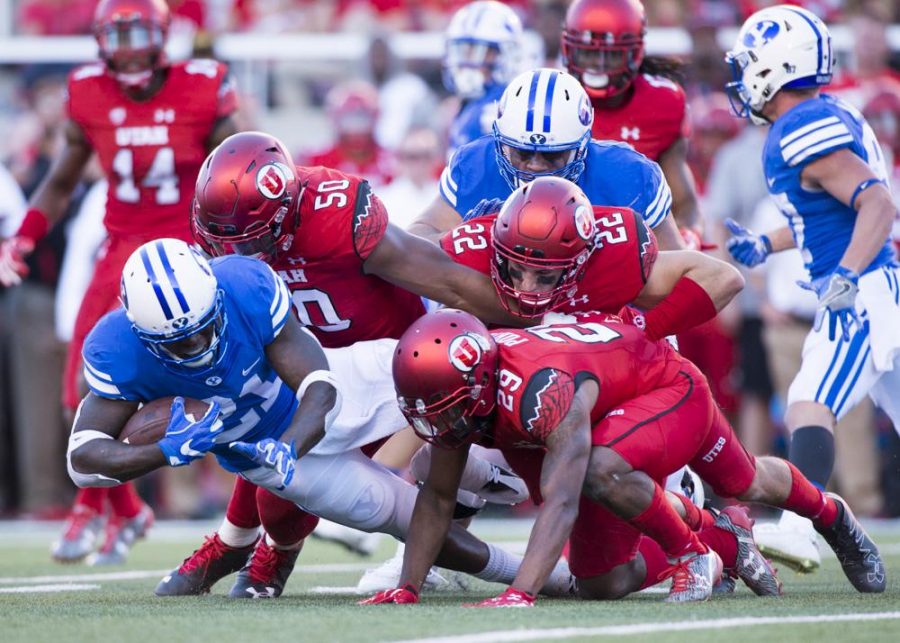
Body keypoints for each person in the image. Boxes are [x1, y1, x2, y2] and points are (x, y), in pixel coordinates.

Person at [68, 239, 576, 600]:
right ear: (140, 330)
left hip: (330, 396)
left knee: (446, 368)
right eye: (178, 343)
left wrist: (287, 444)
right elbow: (82, 458)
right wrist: (164, 450)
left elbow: (318, 384)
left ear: (215, 297)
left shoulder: (242, 283)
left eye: (204, 330)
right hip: (277, 464)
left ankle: (506, 468)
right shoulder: (119, 349)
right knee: (405, 517)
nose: (198, 348)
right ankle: (546, 578)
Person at [157, 130, 523, 598]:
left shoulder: (337, 215)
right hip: (302, 367)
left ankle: (274, 550)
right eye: (225, 242)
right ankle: (240, 542)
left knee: (288, 487)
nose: (236, 256)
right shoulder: (228, 231)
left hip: (381, 372)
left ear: (286, 211)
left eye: (250, 242)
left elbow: (441, 278)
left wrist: (523, 313)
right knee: (248, 410)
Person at [363, 309, 884, 607]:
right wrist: (407, 587)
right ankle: (721, 536)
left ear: (477, 383)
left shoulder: (540, 389)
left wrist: (521, 594)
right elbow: (435, 496)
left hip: (666, 387)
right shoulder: (471, 388)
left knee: (738, 476)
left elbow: (563, 499)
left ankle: (820, 514)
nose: (440, 423)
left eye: (448, 409)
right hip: (608, 410)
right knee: (602, 583)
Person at [0, 0, 239, 565]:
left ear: (161, 37)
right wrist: (23, 239)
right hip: (121, 253)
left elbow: (238, 166)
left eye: (138, 33)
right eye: (118, 35)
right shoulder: (88, 93)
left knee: (197, 378)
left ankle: (107, 509)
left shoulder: (201, 86)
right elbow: (59, 182)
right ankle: (122, 508)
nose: (128, 48)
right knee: (76, 387)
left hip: (188, 253)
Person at [723, 5, 900, 573]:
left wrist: (846, 273)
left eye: (751, 63)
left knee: (810, 402)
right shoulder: (819, 115)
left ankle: (799, 528)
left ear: (778, 67)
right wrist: (768, 243)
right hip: (875, 282)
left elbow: (877, 203)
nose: (743, 75)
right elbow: (825, 212)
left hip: (865, 290)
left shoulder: (801, 127)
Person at [406, 68, 683, 251]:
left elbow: (675, 268)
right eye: (523, 153)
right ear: (500, 143)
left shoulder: (629, 175)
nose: (536, 165)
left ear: (582, 146)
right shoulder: (475, 165)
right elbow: (417, 238)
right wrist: (462, 239)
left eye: (552, 155)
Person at [561, 0, 701, 239]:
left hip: (636, 244)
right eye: (588, 53)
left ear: (635, 52)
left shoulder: (662, 101)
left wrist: (688, 237)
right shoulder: (552, 100)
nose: (599, 67)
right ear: (569, 49)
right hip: (557, 237)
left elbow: (684, 204)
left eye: (611, 55)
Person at [443, 1, 523, 157]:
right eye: (462, 50)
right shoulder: (470, 103)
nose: (466, 60)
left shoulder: (499, 108)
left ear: (504, 54)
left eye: (478, 51)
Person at [300, 81, 393, 189]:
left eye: (363, 119)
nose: (356, 129)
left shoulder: (393, 162)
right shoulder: (314, 160)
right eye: (348, 120)